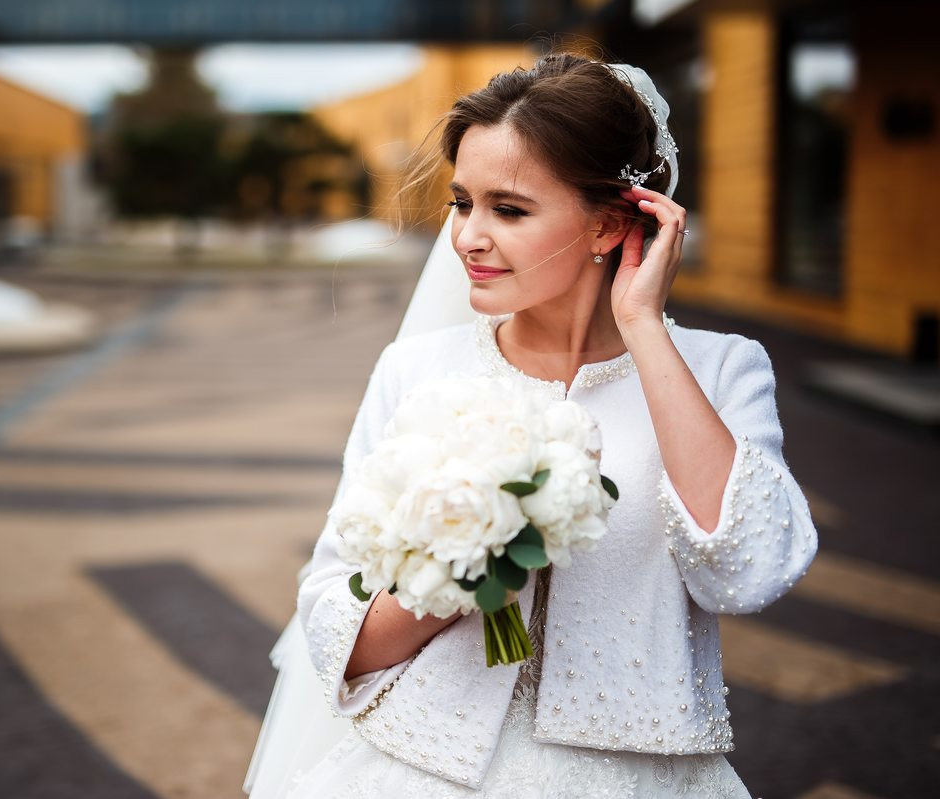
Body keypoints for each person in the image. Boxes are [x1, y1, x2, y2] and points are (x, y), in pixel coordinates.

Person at [245, 51, 818, 798]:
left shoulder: (721, 370)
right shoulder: (415, 369)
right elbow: (333, 627)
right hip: (415, 774)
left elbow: (750, 570)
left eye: (508, 209)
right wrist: (468, 553)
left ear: (611, 223)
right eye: (462, 203)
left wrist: (644, 327)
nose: (467, 239)